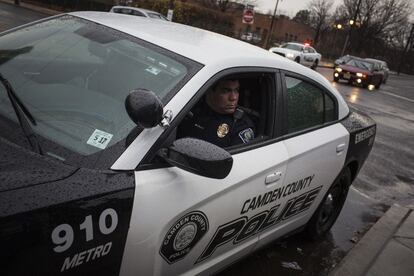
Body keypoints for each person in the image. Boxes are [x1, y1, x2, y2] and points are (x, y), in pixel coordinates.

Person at [177, 78, 255, 148]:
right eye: (226, 91)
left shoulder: (240, 126)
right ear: (209, 91)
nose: (233, 98)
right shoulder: (190, 105)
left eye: (236, 90)